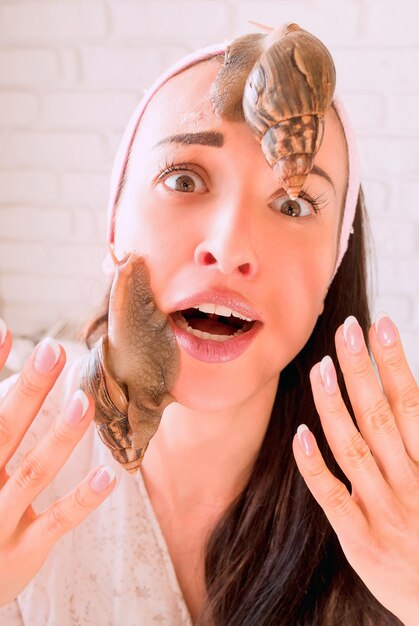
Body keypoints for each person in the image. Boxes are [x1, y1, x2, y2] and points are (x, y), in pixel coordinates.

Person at [0, 26, 418, 626]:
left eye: (294, 204)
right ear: (114, 223)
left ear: (333, 268)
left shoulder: (406, 497)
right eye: (184, 180)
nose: (229, 248)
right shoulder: (14, 452)